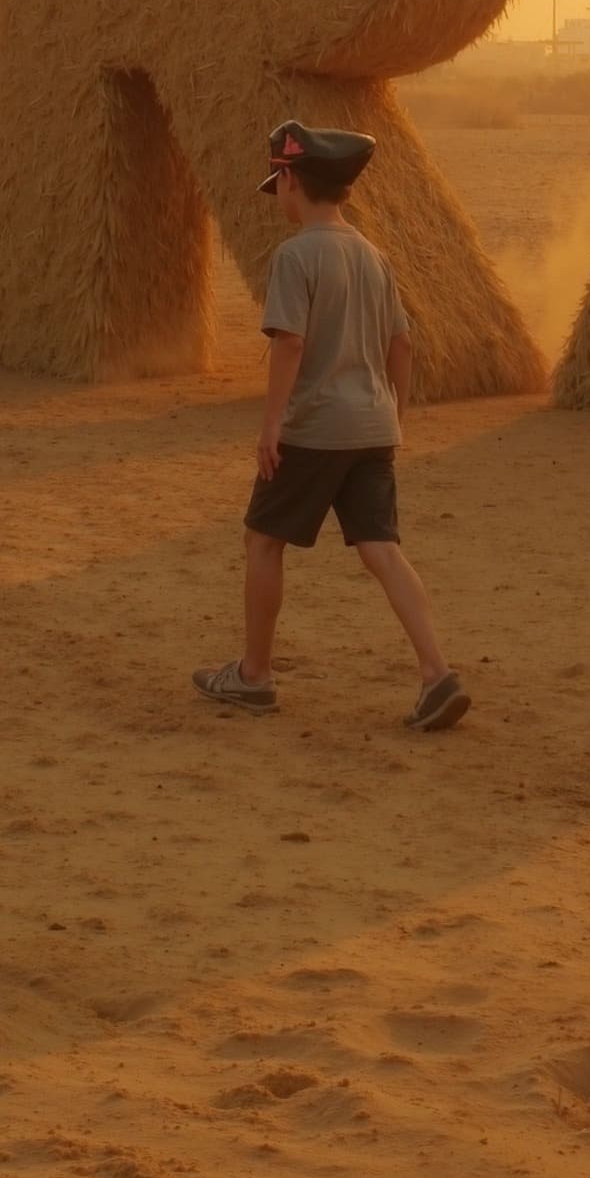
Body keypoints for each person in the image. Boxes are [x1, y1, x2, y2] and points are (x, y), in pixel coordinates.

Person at [192, 120, 469, 732]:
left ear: (290, 179)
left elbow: (289, 343)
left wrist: (271, 427)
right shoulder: (373, 255)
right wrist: (393, 413)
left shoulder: (295, 256)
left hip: (314, 427)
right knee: (383, 550)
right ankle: (436, 674)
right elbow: (402, 345)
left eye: (279, 182)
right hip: (372, 426)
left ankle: (254, 677)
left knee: (264, 541)